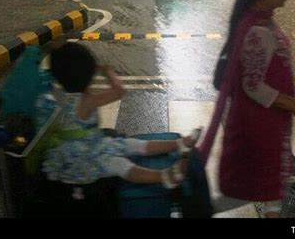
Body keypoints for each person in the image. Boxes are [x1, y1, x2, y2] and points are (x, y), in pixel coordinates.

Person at [198, 0, 295, 218]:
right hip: (258, 126)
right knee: (254, 188)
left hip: (266, 123)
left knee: (267, 190)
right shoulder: (258, 30)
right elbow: (252, 85)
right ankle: (197, 209)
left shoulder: (261, 19)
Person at [42, 42, 201, 188]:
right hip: (83, 159)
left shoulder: (58, 97)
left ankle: (181, 143)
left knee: (130, 144)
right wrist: (108, 71)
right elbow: (119, 91)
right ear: (88, 74)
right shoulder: (87, 100)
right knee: (119, 164)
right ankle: (165, 177)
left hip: (87, 146)